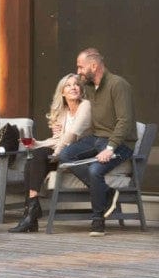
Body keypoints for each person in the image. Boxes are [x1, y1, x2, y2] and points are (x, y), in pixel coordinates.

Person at [58, 48, 136, 237]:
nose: (78, 72)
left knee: (94, 170)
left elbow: (124, 121)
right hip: (96, 138)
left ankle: (98, 220)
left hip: (121, 143)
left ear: (94, 65)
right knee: (66, 155)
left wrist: (110, 148)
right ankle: (107, 193)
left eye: (81, 67)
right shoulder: (90, 89)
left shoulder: (118, 85)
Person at [9, 73, 92, 233]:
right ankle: (31, 213)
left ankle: (30, 214)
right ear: (62, 92)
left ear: (81, 89)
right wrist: (37, 143)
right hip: (62, 153)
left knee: (38, 157)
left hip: (79, 154)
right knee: (33, 159)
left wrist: (56, 153)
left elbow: (71, 135)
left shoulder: (85, 106)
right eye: (68, 85)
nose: (73, 87)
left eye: (76, 84)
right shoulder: (63, 112)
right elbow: (57, 139)